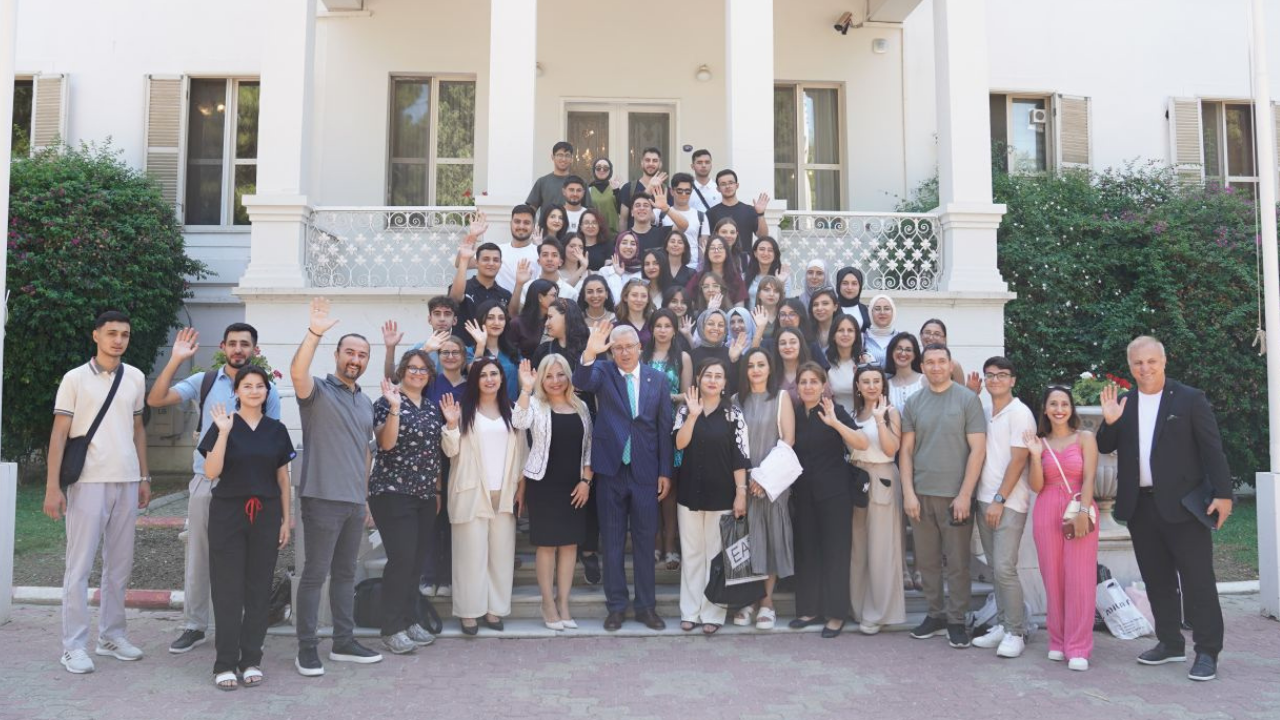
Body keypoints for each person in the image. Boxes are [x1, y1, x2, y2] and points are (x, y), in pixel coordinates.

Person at [1096, 336, 1233, 682]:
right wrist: (1109, 421)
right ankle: (1170, 643)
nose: (1145, 369)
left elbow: (1212, 448)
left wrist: (1224, 494)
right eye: (1138, 363)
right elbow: (1104, 445)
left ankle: (1207, 651)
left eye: (1151, 361)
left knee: (1198, 581)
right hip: (1141, 506)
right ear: (1130, 366)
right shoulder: (1125, 402)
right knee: (1157, 580)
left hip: (1185, 506)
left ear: (1164, 361)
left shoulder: (1189, 399)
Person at [146, 322, 282, 655]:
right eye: (232, 343)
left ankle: (241, 628)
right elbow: (156, 398)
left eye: (245, 344)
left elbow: (274, 444)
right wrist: (176, 359)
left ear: (255, 350)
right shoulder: (205, 381)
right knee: (199, 555)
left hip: (250, 489)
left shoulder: (266, 390)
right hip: (208, 482)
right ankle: (194, 625)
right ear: (223, 347)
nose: (238, 349)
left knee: (247, 560)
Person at [45, 311, 150, 675]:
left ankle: (112, 635)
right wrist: (52, 487)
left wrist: (144, 476)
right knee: (79, 567)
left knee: (119, 566)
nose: (118, 340)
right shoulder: (74, 378)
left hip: (127, 480)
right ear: (96, 336)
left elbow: (138, 429)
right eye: (111, 333)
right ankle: (73, 646)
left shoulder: (135, 377)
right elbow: (59, 434)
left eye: (124, 334)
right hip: (87, 481)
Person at [290, 298, 383, 676]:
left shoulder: (366, 402)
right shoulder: (317, 392)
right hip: (321, 498)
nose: (355, 359)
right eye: (350, 352)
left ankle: (343, 641)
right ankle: (306, 648)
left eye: (362, 355)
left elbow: (366, 453)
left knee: (346, 575)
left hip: (353, 501)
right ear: (337, 355)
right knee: (315, 575)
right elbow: (297, 371)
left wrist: (365, 498)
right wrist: (314, 332)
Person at [572, 322, 674, 632]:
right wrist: (589, 353)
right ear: (611, 351)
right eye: (618, 348)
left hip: (645, 472)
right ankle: (616, 607)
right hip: (611, 470)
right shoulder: (603, 372)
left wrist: (665, 471)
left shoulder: (658, 379)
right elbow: (581, 380)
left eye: (629, 346)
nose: (624, 352)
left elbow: (664, 429)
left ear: (640, 348)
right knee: (613, 543)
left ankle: (646, 608)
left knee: (644, 542)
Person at [198, 366, 294, 689]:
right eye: (247, 386)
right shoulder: (223, 423)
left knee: (258, 588)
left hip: (266, 514)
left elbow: (283, 478)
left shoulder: (276, 429)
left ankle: (251, 658)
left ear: (267, 392)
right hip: (228, 513)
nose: (254, 391)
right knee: (227, 588)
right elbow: (211, 472)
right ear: (236, 391)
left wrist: (286, 519)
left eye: (260, 386)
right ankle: (225, 663)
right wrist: (224, 433)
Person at [901, 343, 987, 649]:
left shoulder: (967, 400)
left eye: (941, 361)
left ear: (950, 365)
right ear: (922, 367)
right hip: (922, 494)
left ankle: (956, 620)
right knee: (927, 562)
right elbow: (906, 451)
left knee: (958, 563)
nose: (936, 367)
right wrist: (908, 493)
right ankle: (935, 615)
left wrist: (965, 494)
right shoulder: (914, 402)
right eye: (930, 362)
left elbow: (978, 450)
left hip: (955, 497)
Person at [441, 358, 526, 635]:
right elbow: (450, 451)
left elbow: (522, 452)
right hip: (470, 491)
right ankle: (469, 612)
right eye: (483, 375)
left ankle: (494, 609)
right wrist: (451, 424)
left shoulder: (511, 411)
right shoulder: (463, 410)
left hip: (504, 491)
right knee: (470, 555)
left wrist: (521, 488)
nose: (490, 379)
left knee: (501, 555)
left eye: (494, 374)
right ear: (475, 380)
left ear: (502, 378)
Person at [369, 350, 445, 655]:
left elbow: (434, 451)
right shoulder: (386, 402)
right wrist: (395, 409)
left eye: (423, 369)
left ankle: (410, 619)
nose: (417, 373)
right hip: (392, 492)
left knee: (415, 561)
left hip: (424, 495)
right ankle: (391, 628)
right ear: (402, 371)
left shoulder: (431, 407)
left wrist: (436, 491)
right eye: (412, 368)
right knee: (401, 560)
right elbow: (385, 444)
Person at [789, 363, 870, 638]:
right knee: (807, 551)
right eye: (803, 382)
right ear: (797, 386)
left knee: (836, 553)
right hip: (803, 493)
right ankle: (809, 609)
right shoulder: (794, 413)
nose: (808, 386)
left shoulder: (835, 410)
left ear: (824, 385)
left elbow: (861, 443)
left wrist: (835, 422)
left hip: (835, 494)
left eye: (814, 381)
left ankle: (836, 614)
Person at [513, 356, 594, 631]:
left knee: (570, 545)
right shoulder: (535, 404)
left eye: (560, 375)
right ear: (541, 379)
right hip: (543, 484)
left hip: (575, 485)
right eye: (548, 376)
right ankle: (548, 603)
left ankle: (564, 603)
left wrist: (586, 481)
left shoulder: (581, 406)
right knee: (547, 545)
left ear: (568, 376)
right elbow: (518, 421)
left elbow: (589, 447)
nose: (555, 381)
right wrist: (526, 388)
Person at [1024, 384, 1100, 671]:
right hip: (1046, 510)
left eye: (1064, 404)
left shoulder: (1085, 438)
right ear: (1045, 409)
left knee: (1079, 578)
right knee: (1052, 577)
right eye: (1053, 404)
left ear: (1071, 408)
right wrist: (1034, 456)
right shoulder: (1039, 443)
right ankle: (1057, 641)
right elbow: (1036, 486)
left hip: (1079, 505)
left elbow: (1090, 477)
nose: (1059, 409)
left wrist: (1083, 511)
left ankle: (1078, 646)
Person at [673, 357, 751, 635]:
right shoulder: (685, 410)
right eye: (708, 375)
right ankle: (690, 611)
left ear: (725, 382)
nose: (713, 380)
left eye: (718, 376)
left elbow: (740, 457)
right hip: (689, 493)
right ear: (698, 379)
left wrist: (741, 492)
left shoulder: (734, 414)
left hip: (723, 494)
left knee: (715, 555)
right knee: (692, 553)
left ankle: (713, 613)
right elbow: (679, 444)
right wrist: (693, 416)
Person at [971, 357, 1037, 659]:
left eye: (1001, 375)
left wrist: (999, 499)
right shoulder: (986, 412)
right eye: (990, 375)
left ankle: (1016, 631)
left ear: (1012, 380)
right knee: (995, 568)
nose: (995, 379)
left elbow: (1019, 460)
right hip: (984, 499)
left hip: (1008, 502)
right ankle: (1002, 624)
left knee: (1005, 568)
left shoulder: (1020, 413)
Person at [735, 348, 796, 630]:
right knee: (746, 541)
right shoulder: (736, 400)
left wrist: (763, 478)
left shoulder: (781, 398)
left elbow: (787, 441)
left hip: (772, 482)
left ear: (770, 368)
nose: (756, 370)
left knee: (770, 539)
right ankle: (747, 599)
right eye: (751, 365)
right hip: (743, 482)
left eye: (761, 364)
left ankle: (767, 602)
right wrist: (744, 483)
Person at [849, 364, 906, 635]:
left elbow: (891, 448)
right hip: (857, 479)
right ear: (857, 386)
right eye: (866, 381)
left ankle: (880, 612)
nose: (871, 386)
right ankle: (859, 606)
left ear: (883, 384)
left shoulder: (891, 412)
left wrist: (880, 420)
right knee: (859, 548)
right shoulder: (854, 414)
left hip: (882, 477)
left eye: (876, 381)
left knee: (882, 548)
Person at [643, 309, 693, 570]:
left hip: (672, 427)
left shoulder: (682, 357)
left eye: (667, 326)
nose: (662, 330)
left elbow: (688, 394)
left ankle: (670, 544)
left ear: (674, 330)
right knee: (649, 487)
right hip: (645, 428)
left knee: (670, 488)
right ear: (652, 329)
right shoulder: (642, 356)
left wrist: (666, 397)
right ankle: (654, 541)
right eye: (658, 325)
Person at [422, 335, 468, 598]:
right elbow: (399, 382)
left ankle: (449, 577)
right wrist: (426, 350)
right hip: (430, 458)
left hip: (461, 460)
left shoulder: (471, 386)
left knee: (454, 519)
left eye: (455, 352)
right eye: (445, 352)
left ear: (463, 356)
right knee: (432, 517)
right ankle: (429, 575)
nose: (450, 357)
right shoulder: (430, 383)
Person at [449, 219, 513, 335]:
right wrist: (464, 259)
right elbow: (455, 298)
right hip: (465, 346)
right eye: (486, 259)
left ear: (500, 264)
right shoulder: (464, 287)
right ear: (476, 263)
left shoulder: (505, 295)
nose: (491, 263)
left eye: (495, 260)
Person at [463, 300, 521, 401]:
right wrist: (481, 345)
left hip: (510, 407)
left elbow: (522, 385)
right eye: (490, 317)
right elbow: (473, 375)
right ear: (482, 320)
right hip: (482, 408)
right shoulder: (470, 351)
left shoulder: (513, 352)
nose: (496, 322)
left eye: (501, 318)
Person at [706, 169, 769, 255]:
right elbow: (707, 241)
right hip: (720, 260)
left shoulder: (750, 210)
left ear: (737, 185)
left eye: (731, 183)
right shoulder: (711, 213)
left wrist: (760, 214)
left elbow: (763, 237)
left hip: (745, 260)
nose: (727, 186)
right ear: (718, 189)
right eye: (723, 184)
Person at [691, 308, 748, 397]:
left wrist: (734, 361)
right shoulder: (691, 356)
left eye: (720, 325)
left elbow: (738, 389)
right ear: (702, 326)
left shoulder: (733, 353)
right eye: (711, 324)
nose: (716, 328)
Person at [527, 141, 593, 214]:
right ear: (552, 157)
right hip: (547, 221)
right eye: (560, 155)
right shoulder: (542, 182)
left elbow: (588, 210)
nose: (563, 159)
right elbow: (532, 209)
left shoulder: (580, 183)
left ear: (571, 159)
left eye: (567, 155)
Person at [511, 239, 578, 310]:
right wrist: (519, 284)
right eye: (545, 255)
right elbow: (514, 314)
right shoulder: (527, 287)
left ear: (560, 262)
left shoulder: (571, 292)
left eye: (554, 255)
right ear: (538, 261)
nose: (549, 259)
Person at [824, 314, 871, 413]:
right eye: (840, 330)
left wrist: (860, 380)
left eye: (850, 330)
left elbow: (871, 395)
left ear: (856, 335)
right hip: (835, 416)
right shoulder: (825, 362)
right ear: (833, 335)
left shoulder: (865, 360)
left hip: (862, 416)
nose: (845, 334)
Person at [660, 172, 708, 267]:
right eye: (679, 191)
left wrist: (701, 269)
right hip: (667, 266)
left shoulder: (701, 216)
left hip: (693, 266)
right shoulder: (661, 213)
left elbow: (703, 246)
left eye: (687, 191)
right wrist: (650, 187)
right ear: (672, 191)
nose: (683, 194)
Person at [531, 298, 590, 372]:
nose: (546, 323)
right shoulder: (543, 350)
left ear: (567, 316)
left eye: (550, 317)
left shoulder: (589, 350)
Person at [687, 235, 747, 307]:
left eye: (720, 248)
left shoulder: (735, 278)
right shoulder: (699, 277)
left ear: (726, 253)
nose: (716, 251)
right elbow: (688, 303)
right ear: (707, 253)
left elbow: (740, 308)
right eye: (712, 248)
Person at [494, 205, 541, 295]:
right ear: (510, 224)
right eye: (517, 221)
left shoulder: (540, 253)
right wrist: (473, 237)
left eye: (526, 222)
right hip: (499, 302)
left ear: (533, 226)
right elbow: (466, 263)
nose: (521, 226)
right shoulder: (497, 251)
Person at [508, 279, 559, 358]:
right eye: (553, 295)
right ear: (540, 297)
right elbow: (509, 353)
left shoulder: (555, 321)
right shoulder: (517, 323)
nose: (556, 300)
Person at [617, 147, 665, 230]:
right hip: (633, 237)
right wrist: (623, 237)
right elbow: (623, 220)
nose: (651, 163)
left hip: (658, 237)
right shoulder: (628, 188)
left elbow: (667, 220)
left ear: (660, 164)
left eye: (655, 161)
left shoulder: (665, 190)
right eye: (647, 160)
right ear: (642, 163)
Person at [920, 318, 974, 388]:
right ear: (921, 335)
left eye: (937, 334)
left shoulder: (953, 365)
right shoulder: (913, 362)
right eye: (927, 332)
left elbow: (960, 392)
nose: (931, 337)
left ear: (944, 339)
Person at [628, 191, 681, 255]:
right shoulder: (624, 237)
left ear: (652, 212)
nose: (642, 208)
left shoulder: (662, 233)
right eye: (638, 205)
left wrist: (666, 208)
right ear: (632, 212)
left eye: (646, 205)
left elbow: (682, 226)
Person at [744, 236, 789, 309]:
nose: (765, 253)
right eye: (762, 249)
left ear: (775, 254)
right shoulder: (744, 276)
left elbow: (785, 304)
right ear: (755, 253)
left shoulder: (783, 276)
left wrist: (781, 283)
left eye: (770, 250)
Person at [885, 332, 925, 410]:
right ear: (891, 352)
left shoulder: (924, 380)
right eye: (899, 349)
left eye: (908, 350)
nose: (903, 353)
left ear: (915, 355)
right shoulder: (886, 385)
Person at [600, 231, 642, 303]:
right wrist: (617, 275)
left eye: (633, 244)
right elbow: (610, 301)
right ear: (617, 245)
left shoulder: (642, 271)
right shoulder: (605, 271)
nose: (628, 247)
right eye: (624, 243)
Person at [587, 159, 622, 237]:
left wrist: (616, 191)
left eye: (605, 168)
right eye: (598, 168)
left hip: (613, 234)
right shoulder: (589, 190)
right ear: (594, 170)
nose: (602, 170)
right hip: (593, 233)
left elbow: (621, 211)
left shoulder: (614, 188)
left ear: (610, 171)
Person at [614, 278, 654, 347]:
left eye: (643, 296)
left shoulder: (654, 324)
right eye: (634, 295)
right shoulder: (615, 326)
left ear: (648, 300)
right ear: (625, 297)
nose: (639, 299)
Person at [862, 295, 898, 367]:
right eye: (877, 309)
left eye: (886, 309)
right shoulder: (862, 338)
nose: (882, 312)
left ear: (893, 312)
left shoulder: (900, 338)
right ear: (871, 312)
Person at [751, 276, 785, 344]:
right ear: (759, 294)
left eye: (776, 291)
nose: (771, 294)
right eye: (767, 290)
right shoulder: (750, 317)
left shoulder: (785, 316)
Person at [836, 267, 871, 331]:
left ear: (859, 286)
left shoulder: (865, 310)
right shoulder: (832, 309)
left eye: (854, 284)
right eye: (845, 283)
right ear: (838, 286)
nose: (849, 287)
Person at [807, 288, 840, 353]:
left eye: (825, 303)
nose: (819, 308)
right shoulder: (805, 332)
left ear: (835, 307)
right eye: (815, 305)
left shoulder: (843, 331)